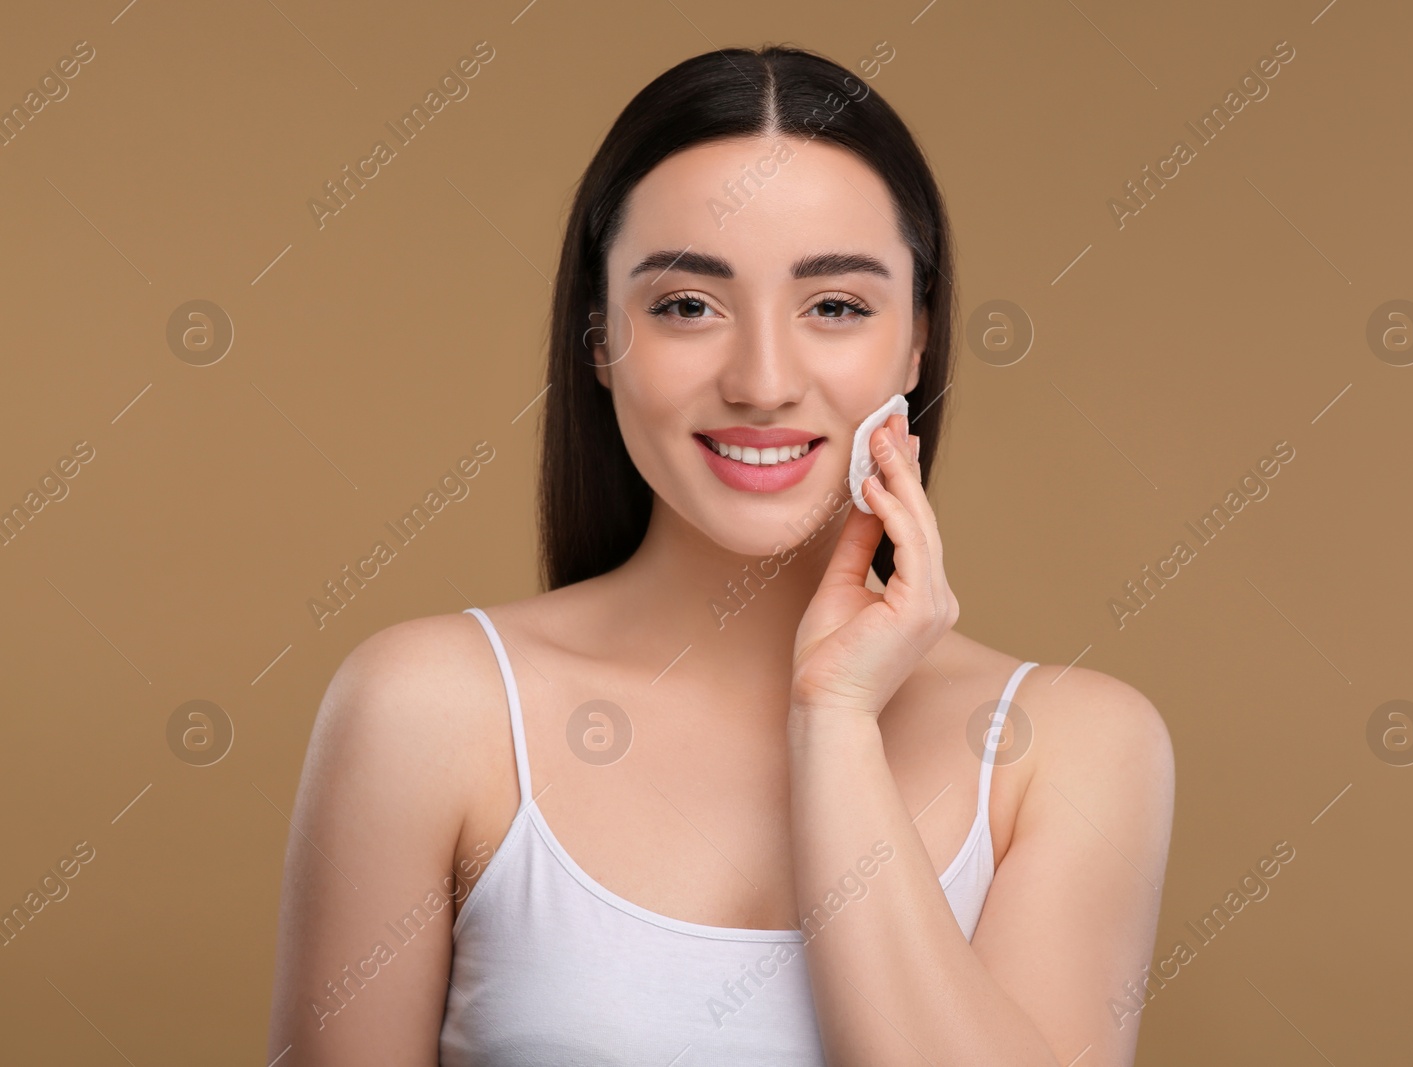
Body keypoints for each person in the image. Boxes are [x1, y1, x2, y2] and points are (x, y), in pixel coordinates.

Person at [267, 43, 1174, 1066]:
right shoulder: (427, 707)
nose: (761, 379)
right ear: (601, 338)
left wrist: (832, 722)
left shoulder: (1072, 748)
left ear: (917, 340)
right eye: (687, 305)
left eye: (834, 305)